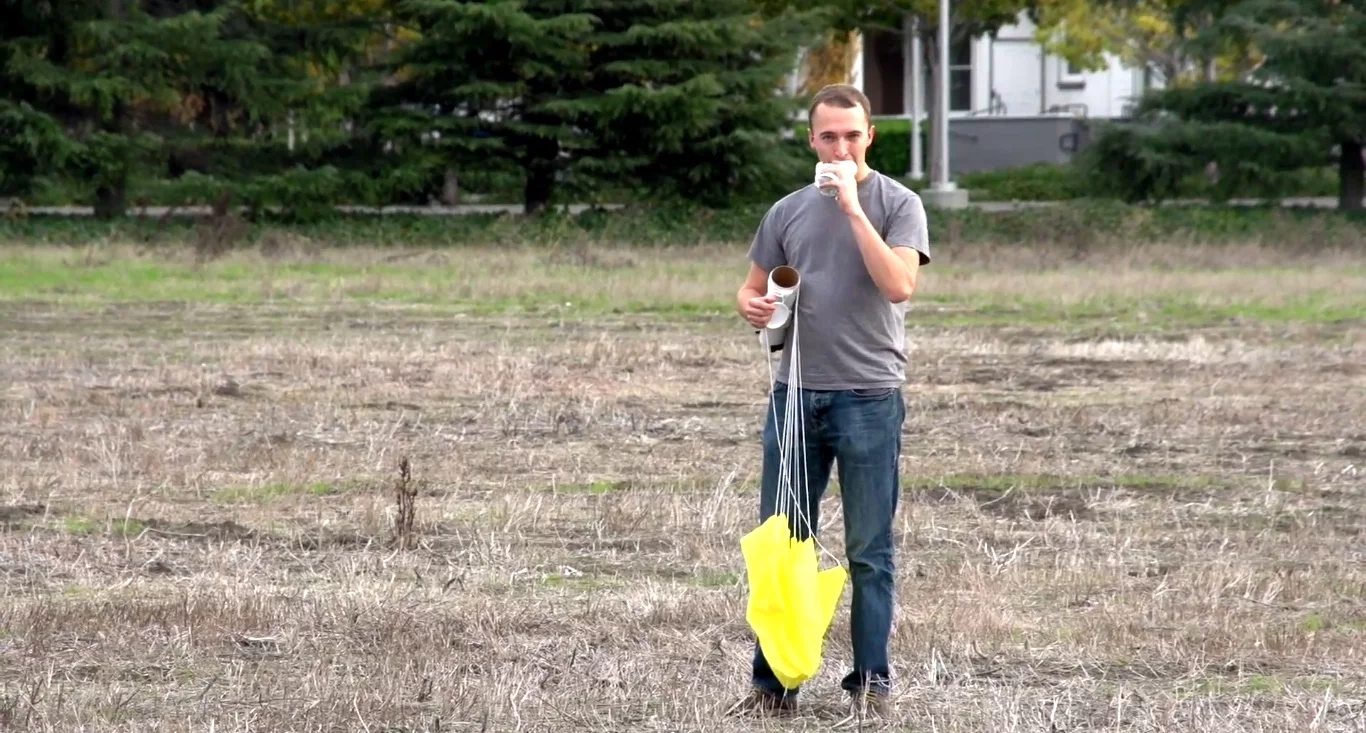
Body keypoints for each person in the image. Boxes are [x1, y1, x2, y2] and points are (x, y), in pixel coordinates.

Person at [727, 84, 931, 721]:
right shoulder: (786, 211)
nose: (839, 147)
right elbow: (750, 288)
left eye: (851, 135)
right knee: (783, 542)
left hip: (869, 397)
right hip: (794, 397)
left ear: (870, 136)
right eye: (827, 137)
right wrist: (751, 306)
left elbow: (899, 285)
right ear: (811, 139)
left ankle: (870, 683)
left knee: (870, 551)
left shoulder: (899, 204)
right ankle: (774, 684)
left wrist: (851, 207)